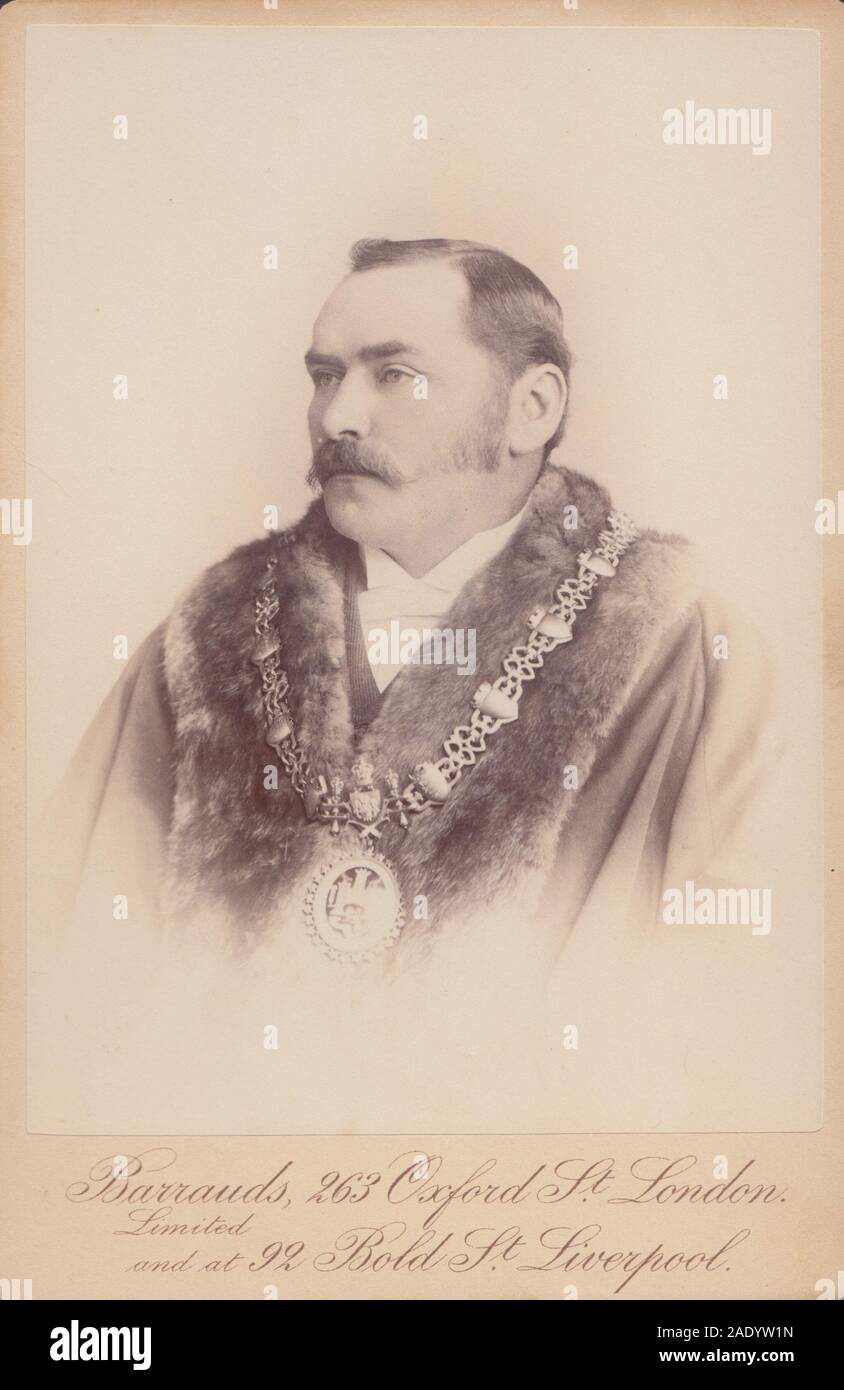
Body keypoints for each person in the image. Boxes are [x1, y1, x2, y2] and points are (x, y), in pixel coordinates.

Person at [33, 238, 785, 1132]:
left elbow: (733, 1026)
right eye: (324, 376)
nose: (338, 416)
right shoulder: (204, 643)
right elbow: (64, 981)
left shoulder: (686, 652)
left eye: (395, 375)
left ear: (531, 407)